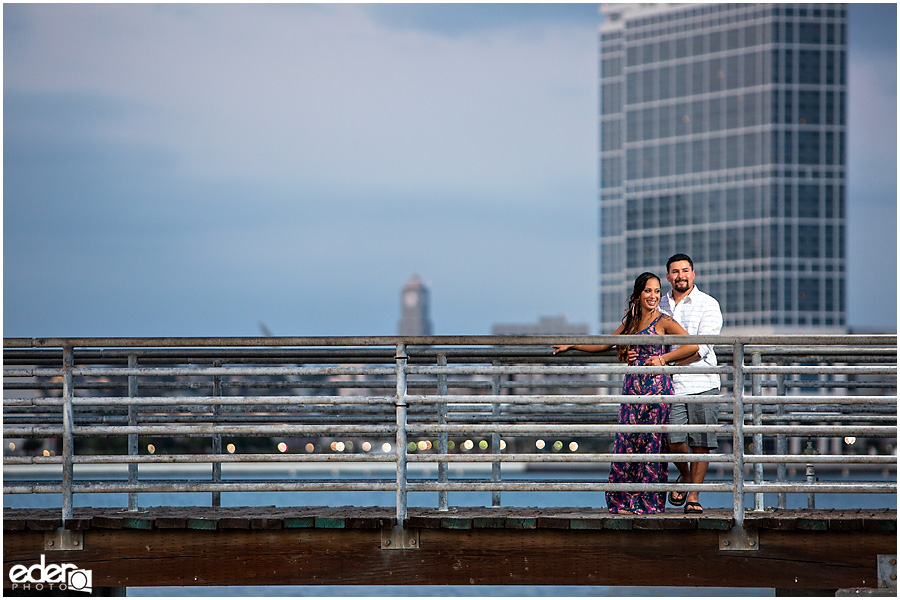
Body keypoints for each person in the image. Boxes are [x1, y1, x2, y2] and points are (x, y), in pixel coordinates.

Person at [553, 272, 698, 514]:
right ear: (638, 294)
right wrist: (573, 344)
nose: (653, 296)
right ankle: (623, 501)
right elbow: (605, 343)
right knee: (628, 443)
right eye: (648, 291)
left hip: (656, 390)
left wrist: (663, 359)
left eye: (657, 291)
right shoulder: (631, 322)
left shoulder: (664, 320)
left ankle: (646, 503)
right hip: (632, 388)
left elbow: (693, 344)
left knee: (650, 445)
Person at [655, 253, 723, 515]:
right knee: (672, 439)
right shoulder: (659, 305)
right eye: (675, 271)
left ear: (693, 274)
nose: (680, 276)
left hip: (703, 380)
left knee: (702, 442)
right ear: (668, 276)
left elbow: (702, 348)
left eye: (685, 271)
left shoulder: (708, 304)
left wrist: (665, 361)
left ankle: (693, 495)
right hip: (669, 386)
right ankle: (685, 476)